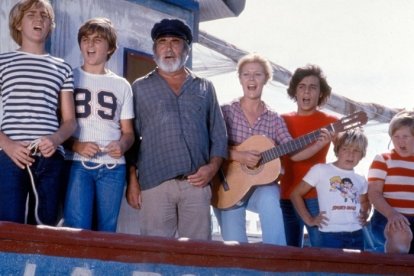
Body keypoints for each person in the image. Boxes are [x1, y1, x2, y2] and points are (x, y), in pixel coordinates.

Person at [126, 18, 228, 240]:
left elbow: (219, 135)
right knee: (153, 258)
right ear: (155, 50)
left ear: (187, 49)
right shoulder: (140, 87)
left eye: (175, 41)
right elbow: (131, 138)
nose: (169, 47)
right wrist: (132, 182)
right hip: (155, 183)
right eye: (162, 42)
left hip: (197, 184)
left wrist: (212, 169)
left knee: (197, 257)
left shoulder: (204, 86)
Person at [214, 54, 332, 245]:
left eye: (257, 74)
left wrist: (318, 144)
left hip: (258, 189)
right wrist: (238, 155)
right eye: (246, 74)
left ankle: (276, 257)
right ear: (240, 79)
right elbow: (208, 145)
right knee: (235, 249)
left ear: (266, 79)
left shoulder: (274, 118)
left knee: (271, 194)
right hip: (227, 186)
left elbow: (293, 153)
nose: (252, 79)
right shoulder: (225, 111)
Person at [0, 0, 76, 226]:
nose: (38, 19)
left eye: (44, 16)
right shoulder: (3, 62)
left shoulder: (62, 67)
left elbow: (70, 121)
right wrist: (8, 145)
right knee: (8, 225)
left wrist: (55, 140)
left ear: (50, 25)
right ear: (18, 24)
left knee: (45, 225)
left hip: (50, 158)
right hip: (12, 156)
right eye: (31, 14)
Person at [63, 18, 135, 232]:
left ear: (110, 47)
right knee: (77, 227)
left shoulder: (122, 85)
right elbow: (57, 125)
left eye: (97, 40)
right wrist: (77, 145)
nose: (90, 45)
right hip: (78, 163)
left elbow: (128, 133)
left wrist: (122, 146)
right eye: (85, 39)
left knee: (106, 229)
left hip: (113, 167)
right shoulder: (69, 77)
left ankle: (98, 267)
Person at [280, 65, 337, 247]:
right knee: (288, 253)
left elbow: (347, 154)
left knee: (322, 252)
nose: (307, 91)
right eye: (302, 86)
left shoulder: (331, 121)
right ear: (295, 91)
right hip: (285, 196)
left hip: (317, 196)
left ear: (321, 93)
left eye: (313, 87)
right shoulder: (280, 120)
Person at [290, 128, 370, 250]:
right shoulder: (320, 170)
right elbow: (295, 194)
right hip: (330, 235)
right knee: (330, 269)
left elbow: (365, 202)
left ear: (362, 154)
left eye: (356, 151)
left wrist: (365, 214)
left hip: (357, 233)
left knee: (354, 269)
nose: (350, 154)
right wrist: (309, 220)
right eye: (345, 149)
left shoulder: (361, 178)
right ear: (337, 150)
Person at [368, 110, 414, 253]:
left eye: (405, 136)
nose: (400, 141)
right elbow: (374, 193)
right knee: (401, 235)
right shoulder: (383, 160)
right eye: (396, 137)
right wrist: (392, 214)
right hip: (387, 217)